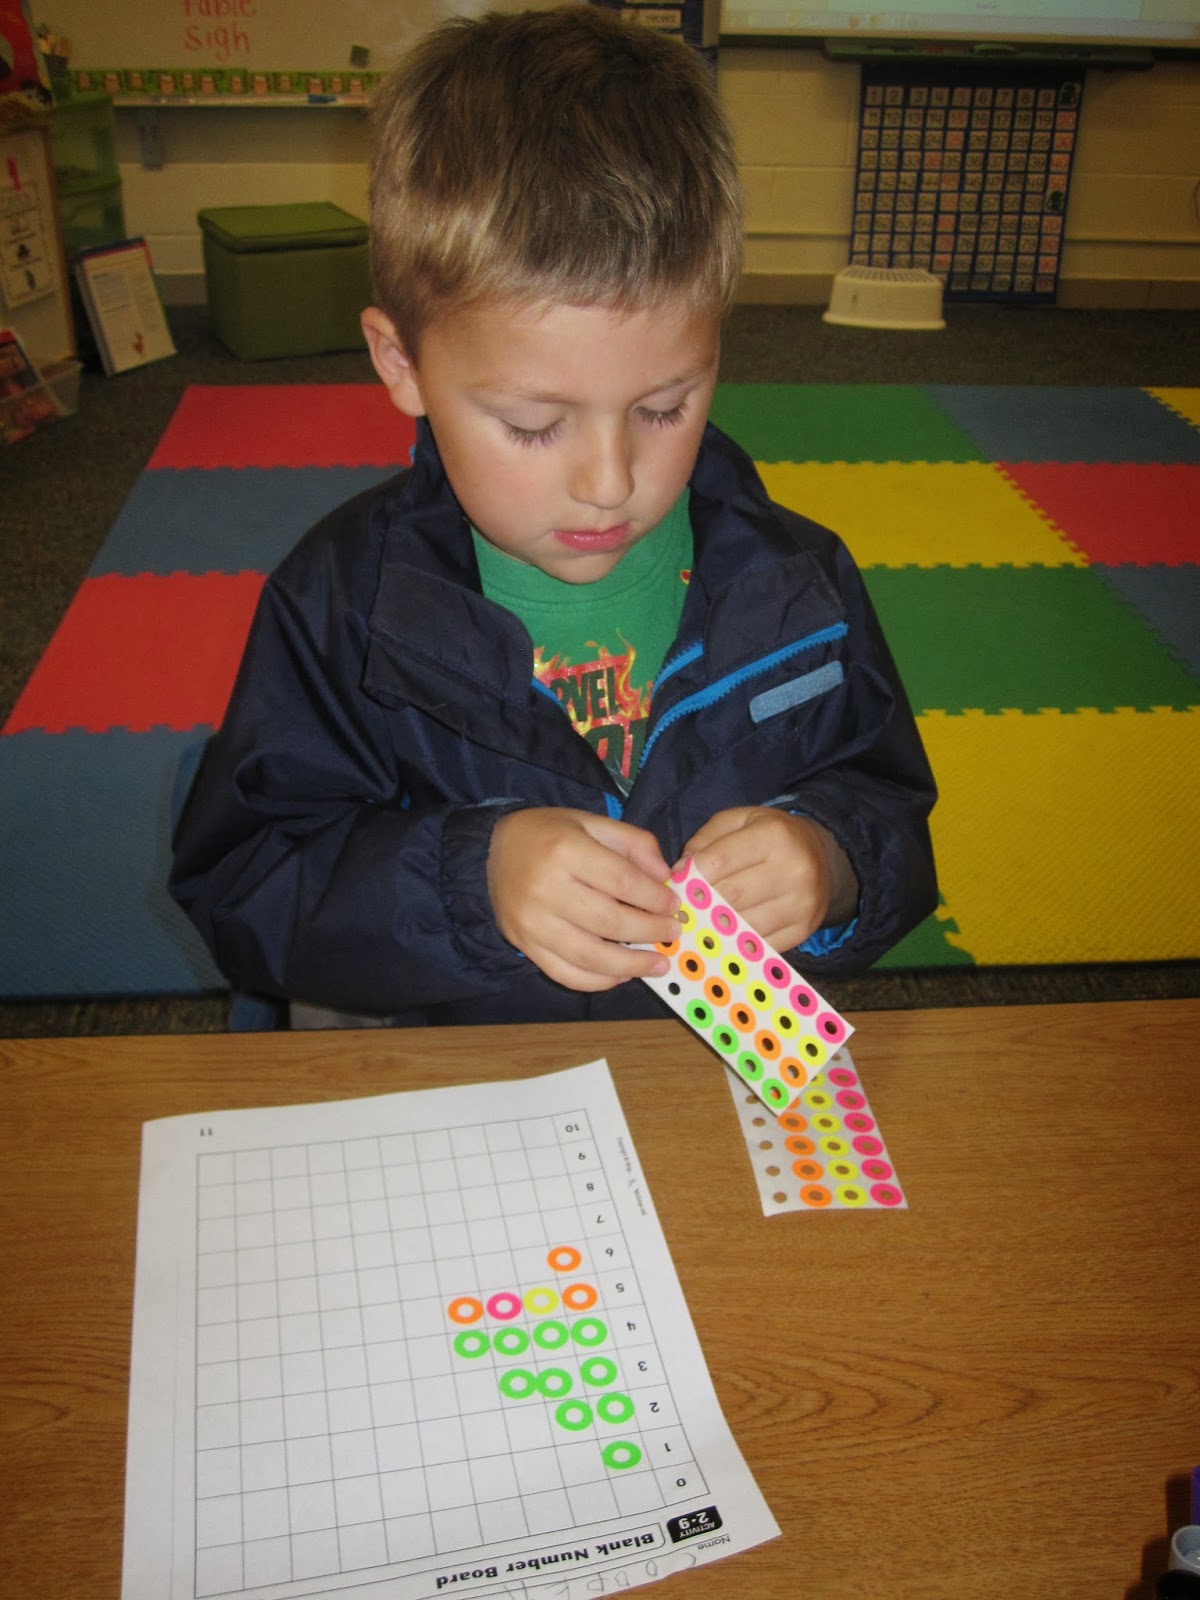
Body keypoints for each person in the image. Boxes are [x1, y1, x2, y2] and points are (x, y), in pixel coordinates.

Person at [169, 4, 937, 1027]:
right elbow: (246, 884)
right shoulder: (346, 605)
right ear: (401, 362)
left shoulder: (797, 588)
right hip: (463, 1077)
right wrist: (471, 881)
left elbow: (892, 810)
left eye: (664, 408)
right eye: (534, 425)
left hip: (694, 1083)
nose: (610, 482)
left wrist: (830, 863)